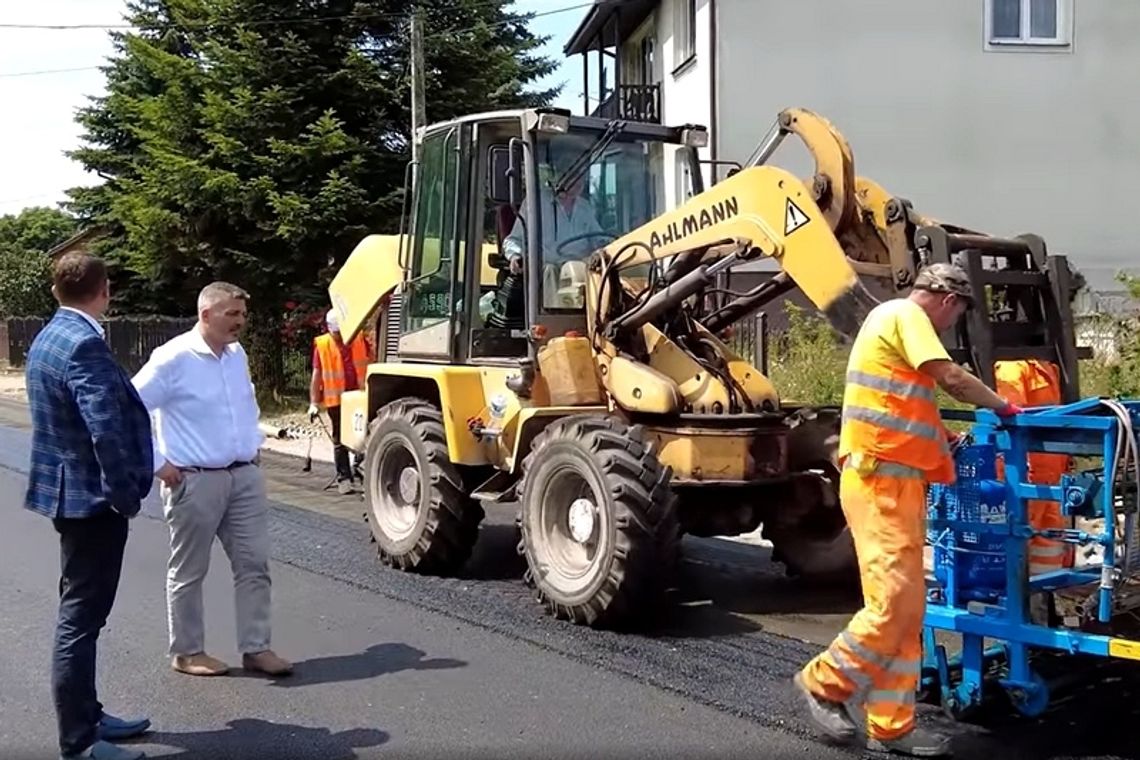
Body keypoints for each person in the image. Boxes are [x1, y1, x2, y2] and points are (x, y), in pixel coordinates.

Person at [793, 263, 1023, 758]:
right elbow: (952, 379)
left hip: (900, 484)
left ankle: (892, 726)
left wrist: (943, 440)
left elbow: (905, 405)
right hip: (879, 480)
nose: (954, 321)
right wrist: (1004, 408)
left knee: (908, 609)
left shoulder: (893, 327)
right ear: (945, 297)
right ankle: (825, 682)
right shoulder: (904, 314)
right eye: (959, 311)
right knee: (893, 599)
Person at [25, 252, 154, 760]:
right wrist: (124, 495)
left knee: (81, 613)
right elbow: (105, 429)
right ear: (104, 289)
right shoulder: (84, 344)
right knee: (80, 620)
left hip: (66, 492)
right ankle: (78, 741)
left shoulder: (48, 335)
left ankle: (90, 715)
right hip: (91, 500)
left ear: (58, 290)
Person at [132, 282, 292, 679]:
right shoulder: (172, 358)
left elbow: (241, 407)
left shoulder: (236, 355)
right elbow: (128, 410)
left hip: (244, 477)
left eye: (242, 314)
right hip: (195, 481)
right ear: (206, 315)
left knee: (254, 564)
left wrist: (254, 443)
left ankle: (256, 648)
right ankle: (187, 652)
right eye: (231, 314)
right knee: (189, 571)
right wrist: (158, 463)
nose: (240, 321)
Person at [994, 359, 1073, 575]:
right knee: (1018, 545)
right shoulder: (1012, 368)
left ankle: (1042, 601)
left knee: (1050, 550)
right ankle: (1016, 599)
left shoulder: (1050, 366)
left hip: (1051, 479)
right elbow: (1011, 417)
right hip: (1027, 476)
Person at [501, 154, 605, 309]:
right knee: (551, 271)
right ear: (559, 176)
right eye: (573, 175)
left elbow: (598, 239)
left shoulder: (585, 208)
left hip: (579, 269)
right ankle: (555, 319)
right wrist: (515, 256)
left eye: (581, 176)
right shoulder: (536, 202)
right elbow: (513, 240)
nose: (578, 181)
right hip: (546, 270)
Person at [308, 308, 370, 494]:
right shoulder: (323, 345)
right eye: (336, 333)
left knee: (364, 436)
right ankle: (344, 477)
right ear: (329, 329)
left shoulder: (359, 339)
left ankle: (361, 471)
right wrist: (314, 403)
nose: (339, 337)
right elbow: (317, 376)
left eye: (341, 333)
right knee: (340, 440)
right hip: (337, 401)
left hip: (360, 397)